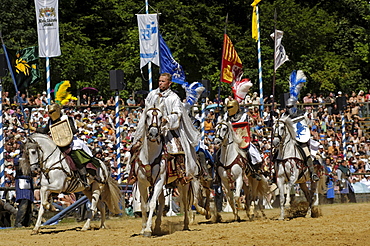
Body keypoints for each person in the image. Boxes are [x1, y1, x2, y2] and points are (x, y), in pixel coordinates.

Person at [132, 73, 201, 183]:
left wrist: (166, 119)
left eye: (163, 81)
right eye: (159, 80)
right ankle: (133, 173)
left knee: (176, 148)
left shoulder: (174, 97)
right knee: (135, 146)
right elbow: (147, 110)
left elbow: (177, 113)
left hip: (168, 130)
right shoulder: (152, 94)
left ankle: (181, 172)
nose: (160, 83)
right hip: (151, 128)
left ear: (169, 83)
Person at [29, 104, 99, 187]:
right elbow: (44, 130)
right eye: (50, 112)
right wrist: (33, 128)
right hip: (58, 142)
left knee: (76, 155)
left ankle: (83, 177)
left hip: (70, 142)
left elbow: (73, 130)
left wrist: (64, 132)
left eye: (53, 111)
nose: (51, 114)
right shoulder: (50, 121)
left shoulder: (66, 118)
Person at [224, 99, 262, 180]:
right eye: (228, 107)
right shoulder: (226, 116)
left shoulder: (244, 116)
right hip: (229, 140)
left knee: (253, 153)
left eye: (231, 107)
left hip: (241, 140)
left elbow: (245, 129)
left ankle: (254, 171)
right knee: (217, 155)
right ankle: (215, 173)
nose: (229, 109)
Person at [284, 98, 320, 181]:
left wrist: (308, 122)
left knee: (306, 153)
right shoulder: (285, 116)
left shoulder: (301, 114)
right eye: (288, 107)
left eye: (291, 106)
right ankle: (274, 174)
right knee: (278, 152)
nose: (289, 109)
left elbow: (308, 124)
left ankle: (312, 173)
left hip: (300, 140)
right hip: (289, 140)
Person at [14, 156, 34, 227]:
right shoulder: (18, 158)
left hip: (29, 183)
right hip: (22, 183)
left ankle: (27, 222)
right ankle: (18, 222)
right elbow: (16, 162)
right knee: (24, 203)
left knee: (28, 204)